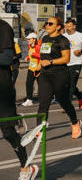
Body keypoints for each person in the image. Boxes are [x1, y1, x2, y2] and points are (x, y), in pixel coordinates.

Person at [1, 20, 38, 180]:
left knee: (8, 132)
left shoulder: (3, 28)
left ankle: (26, 165)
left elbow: (7, 58)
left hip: (2, 89)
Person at [37, 17, 82, 138]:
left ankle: (75, 122)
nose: (47, 25)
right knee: (43, 103)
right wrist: (39, 64)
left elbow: (66, 59)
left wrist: (50, 62)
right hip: (45, 75)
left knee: (64, 102)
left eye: (50, 24)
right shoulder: (45, 38)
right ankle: (40, 130)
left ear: (58, 27)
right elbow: (44, 55)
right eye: (46, 23)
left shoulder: (62, 40)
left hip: (60, 75)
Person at [63, 18, 82, 110]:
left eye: (70, 26)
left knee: (71, 84)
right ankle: (80, 96)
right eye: (66, 26)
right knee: (66, 84)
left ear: (74, 26)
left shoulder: (80, 36)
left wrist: (81, 51)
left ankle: (67, 105)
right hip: (65, 63)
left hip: (76, 63)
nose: (68, 28)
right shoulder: (63, 36)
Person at [20, 34, 40, 107]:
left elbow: (41, 56)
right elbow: (30, 54)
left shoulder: (38, 47)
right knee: (28, 83)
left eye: (29, 39)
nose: (27, 40)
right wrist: (28, 57)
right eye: (27, 39)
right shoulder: (29, 46)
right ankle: (29, 100)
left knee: (41, 85)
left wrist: (34, 54)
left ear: (34, 39)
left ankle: (46, 98)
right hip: (31, 68)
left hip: (38, 69)